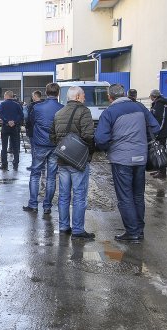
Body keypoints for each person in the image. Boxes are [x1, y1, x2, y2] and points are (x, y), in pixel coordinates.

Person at [95, 84, 161, 243]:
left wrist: (110, 145)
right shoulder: (139, 107)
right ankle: (139, 230)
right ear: (124, 94)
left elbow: (100, 139)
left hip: (121, 159)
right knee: (138, 195)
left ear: (110, 97)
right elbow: (156, 127)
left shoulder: (109, 112)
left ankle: (132, 232)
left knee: (125, 196)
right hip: (140, 157)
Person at [50, 86, 96, 239]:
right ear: (77, 97)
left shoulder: (58, 113)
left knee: (63, 195)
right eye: (83, 95)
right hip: (78, 161)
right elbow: (89, 135)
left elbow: (52, 136)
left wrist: (64, 146)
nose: (84, 98)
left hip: (63, 159)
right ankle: (77, 230)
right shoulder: (84, 111)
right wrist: (88, 152)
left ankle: (63, 226)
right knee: (79, 194)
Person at [24, 83, 62, 215]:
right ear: (58, 93)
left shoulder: (38, 107)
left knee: (35, 174)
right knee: (51, 177)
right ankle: (47, 206)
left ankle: (33, 204)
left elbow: (30, 121)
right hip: (54, 145)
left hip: (40, 144)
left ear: (46, 93)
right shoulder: (62, 108)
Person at [149, 89, 167, 179]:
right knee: (159, 150)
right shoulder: (161, 103)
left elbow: (161, 120)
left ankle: (162, 172)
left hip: (162, 132)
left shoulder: (160, 104)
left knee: (160, 151)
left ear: (154, 96)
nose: (150, 98)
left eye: (151, 97)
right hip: (163, 131)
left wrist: (157, 132)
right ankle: (159, 169)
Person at [0, 91, 24, 170]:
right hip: (14, 127)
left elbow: (0, 114)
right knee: (15, 147)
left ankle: (4, 164)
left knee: (4, 146)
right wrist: (14, 121)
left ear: (6, 96)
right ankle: (15, 164)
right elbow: (21, 115)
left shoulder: (3, 104)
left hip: (5, 127)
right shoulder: (17, 104)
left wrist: (7, 121)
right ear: (12, 96)